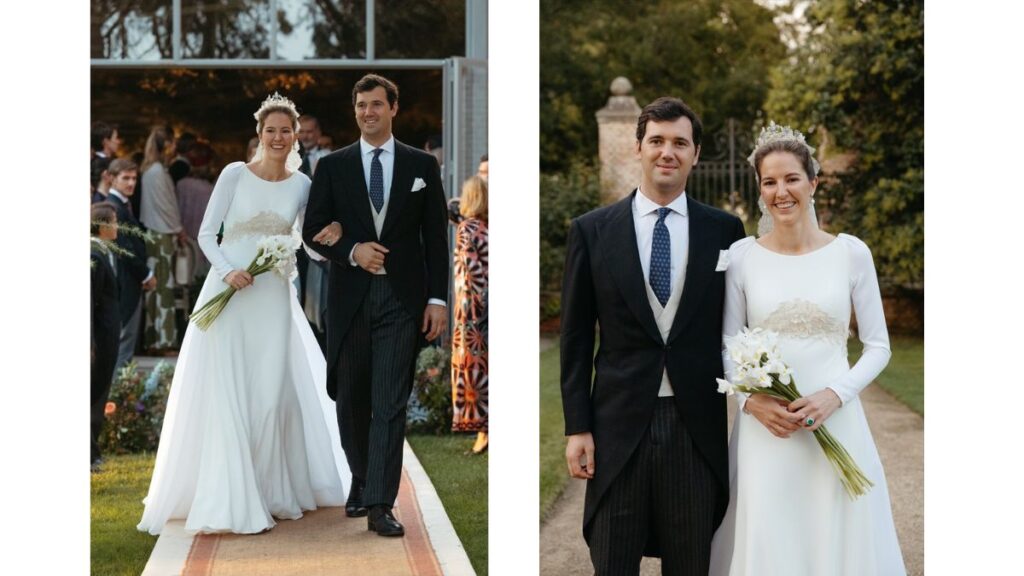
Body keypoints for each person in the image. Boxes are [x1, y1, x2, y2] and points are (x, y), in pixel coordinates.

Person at [137, 93, 346, 535]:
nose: (278, 137)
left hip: (271, 297)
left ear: (295, 138)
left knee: (270, 395)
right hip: (229, 293)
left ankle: (270, 492)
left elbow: (307, 243)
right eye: (271, 130)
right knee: (230, 391)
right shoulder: (234, 174)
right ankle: (232, 493)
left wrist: (329, 241)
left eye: (285, 131)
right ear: (259, 134)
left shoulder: (303, 185)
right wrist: (229, 271)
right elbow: (207, 233)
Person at [708, 124, 906, 575]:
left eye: (791, 178)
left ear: (813, 182)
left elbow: (878, 346)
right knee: (771, 534)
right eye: (769, 181)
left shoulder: (852, 254)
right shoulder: (741, 257)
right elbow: (727, 342)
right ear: (760, 190)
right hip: (767, 431)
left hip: (838, 421)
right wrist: (751, 401)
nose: (781, 191)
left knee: (835, 532)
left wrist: (835, 394)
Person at [560, 97, 746, 574]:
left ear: (696, 154)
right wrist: (578, 427)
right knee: (613, 560)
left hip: (695, 428)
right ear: (638, 147)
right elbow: (577, 337)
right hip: (617, 427)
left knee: (690, 563)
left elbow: (741, 327)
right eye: (657, 141)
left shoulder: (726, 231)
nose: (668, 152)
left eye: (680, 142)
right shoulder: (592, 231)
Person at [302, 73, 449, 537]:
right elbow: (312, 231)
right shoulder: (332, 166)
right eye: (361, 105)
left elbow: (435, 241)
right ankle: (361, 477)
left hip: (402, 302)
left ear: (393, 109)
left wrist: (437, 298)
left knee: (389, 403)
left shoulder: (422, 165)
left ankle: (381, 503)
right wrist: (351, 251)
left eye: (377, 104)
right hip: (349, 299)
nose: (368, 112)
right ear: (356, 111)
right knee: (349, 401)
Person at [105, 158, 156, 376]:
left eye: (134, 178)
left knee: (124, 346)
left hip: (128, 283)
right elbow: (123, 249)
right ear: (111, 179)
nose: (131, 183)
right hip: (125, 284)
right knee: (123, 346)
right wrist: (146, 275)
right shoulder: (114, 207)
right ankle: (116, 402)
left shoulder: (124, 205)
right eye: (125, 178)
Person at [139, 126, 187, 351]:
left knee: (153, 288)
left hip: (150, 233)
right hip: (163, 234)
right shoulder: (158, 172)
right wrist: (179, 229)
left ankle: (152, 338)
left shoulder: (149, 170)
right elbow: (168, 206)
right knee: (165, 288)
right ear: (165, 146)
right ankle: (165, 339)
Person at [451, 175, 489, 454]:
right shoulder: (487, 228)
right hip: (486, 306)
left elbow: (470, 272)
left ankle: (481, 431)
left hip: (471, 311)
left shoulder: (467, 229)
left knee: (472, 370)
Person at [90, 202, 121, 472]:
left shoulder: (106, 252)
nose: (117, 227)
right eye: (113, 222)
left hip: (108, 336)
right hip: (98, 338)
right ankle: (89, 455)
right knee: (92, 394)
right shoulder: (94, 256)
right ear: (102, 226)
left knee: (99, 393)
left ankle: (93, 451)